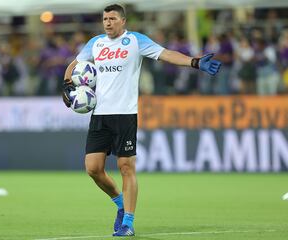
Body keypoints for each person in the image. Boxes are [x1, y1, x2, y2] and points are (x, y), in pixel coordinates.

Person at [62, 4, 221, 237]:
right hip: (100, 114)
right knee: (93, 169)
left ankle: (128, 222)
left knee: (126, 167)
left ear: (123, 21)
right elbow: (75, 65)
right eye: (105, 18)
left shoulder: (135, 41)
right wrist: (67, 85)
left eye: (112, 18)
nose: (107, 22)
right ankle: (119, 204)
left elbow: (166, 54)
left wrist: (194, 62)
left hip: (125, 113)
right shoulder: (95, 43)